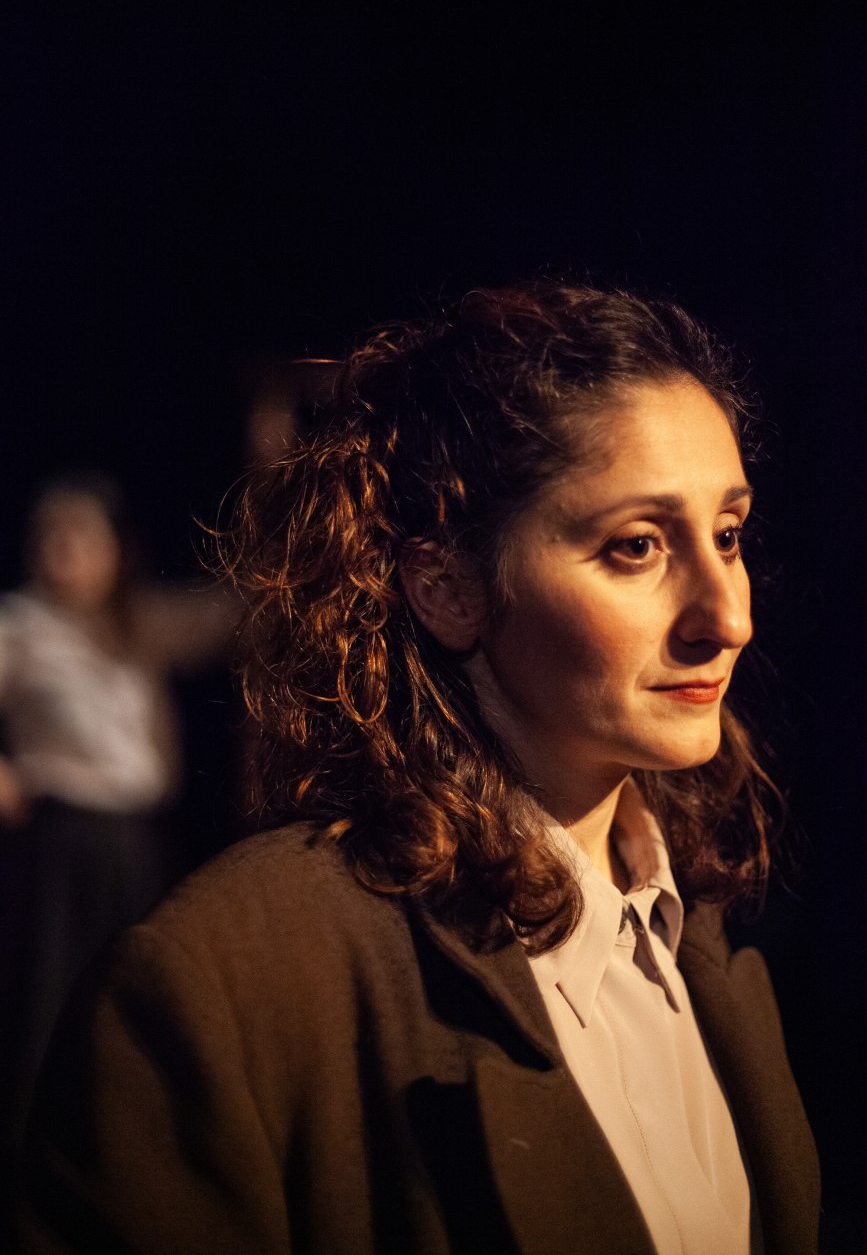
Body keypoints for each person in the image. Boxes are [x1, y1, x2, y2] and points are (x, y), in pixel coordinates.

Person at [16, 284, 819, 1254]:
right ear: (446, 587)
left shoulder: (710, 953)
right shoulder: (228, 990)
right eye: (636, 546)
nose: (728, 617)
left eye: (727, 536)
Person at [0, 474, 236, 1191]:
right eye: (47, 533)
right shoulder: (20, 624)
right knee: (48, 1002)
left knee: (134, 996)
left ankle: (124, 1167)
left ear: (116, 549)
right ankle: (29, 1174)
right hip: (60, 842)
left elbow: (235, 611)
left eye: (78, 533)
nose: (59, 548)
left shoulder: (137, 624)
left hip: (136, 842)